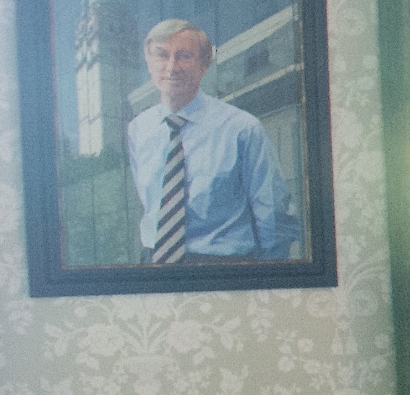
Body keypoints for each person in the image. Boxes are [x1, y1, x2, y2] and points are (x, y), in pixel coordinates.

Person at [127, 18, 300, 262]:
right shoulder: (138, 129)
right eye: (161, 55)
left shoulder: (243, 129)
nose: (171, 67)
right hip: (153, 263)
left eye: (184, 56)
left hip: (222, 266)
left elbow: (273, 219)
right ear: (148, 62)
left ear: (204, 64)